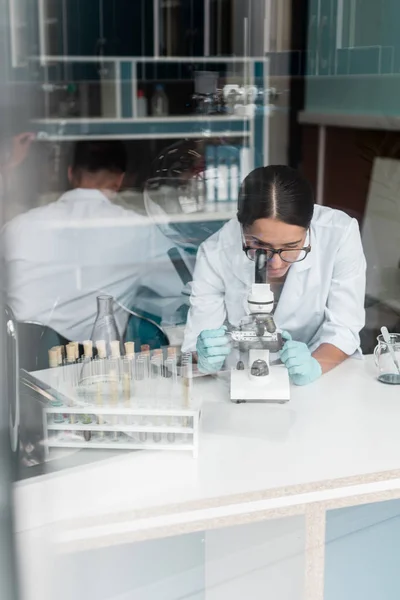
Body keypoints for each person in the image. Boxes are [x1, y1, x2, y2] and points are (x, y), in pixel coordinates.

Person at [182, 165, 367, 385]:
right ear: (243, 227)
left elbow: (344, 327)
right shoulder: (216, 252)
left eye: (291, 246)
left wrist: (314, 366)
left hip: (321, 376)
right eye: (260, 245)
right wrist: (206, 356)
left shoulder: (338, 234)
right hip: (240, 376)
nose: (275, 263)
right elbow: (198, 341)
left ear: (308, 228)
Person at [4, 140, 186, 341]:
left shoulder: (17, 227)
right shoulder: (138, 230)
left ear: (70, 174)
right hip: (87, 367)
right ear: (119, 180)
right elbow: (183, 288)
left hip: (17, 360)